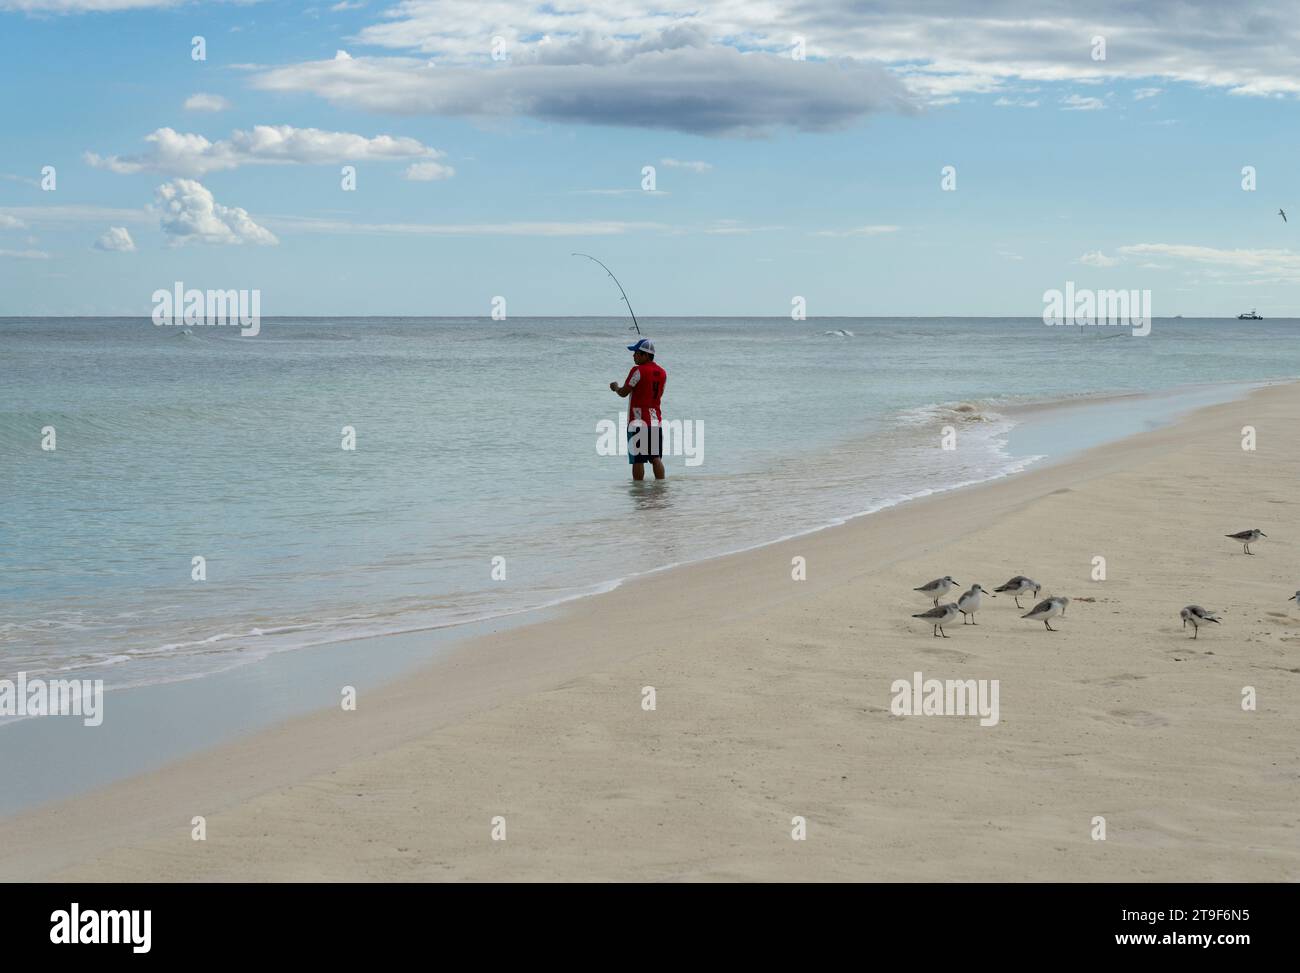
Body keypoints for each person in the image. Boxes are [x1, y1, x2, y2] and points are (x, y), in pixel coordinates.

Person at [609, 337, 666, 480]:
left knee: (638, 459)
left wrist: (615, 387)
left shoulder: (638, 370)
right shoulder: (663, 373)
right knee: (655, 457)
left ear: (645, 355)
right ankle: (660, 489)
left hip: (637, 422)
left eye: (636, 353)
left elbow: (624, 392)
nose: (633, 355)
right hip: (655, 421)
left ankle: (639, 493)